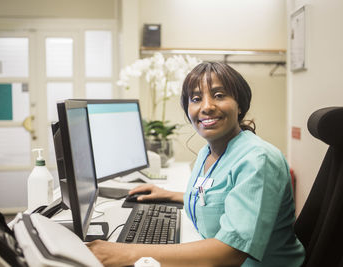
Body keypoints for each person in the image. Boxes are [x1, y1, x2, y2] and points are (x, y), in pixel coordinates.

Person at [87, 62, 305, 267]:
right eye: (196, 98)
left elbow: (231, 251)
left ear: (240, 105)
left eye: (219, 95)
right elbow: (218, 196)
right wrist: (171, 195)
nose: (207, 107)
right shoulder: (208, 152)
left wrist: (126, 252)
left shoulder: (258, 160)